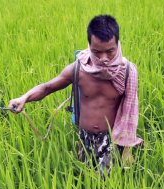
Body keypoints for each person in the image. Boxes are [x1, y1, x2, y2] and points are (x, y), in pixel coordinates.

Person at [8, 15, 142, 176]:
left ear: (118, 45)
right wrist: (24, 97)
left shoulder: (127, 72)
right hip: (84, 138)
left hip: (112, 139)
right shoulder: (79, 68)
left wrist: (127, 150)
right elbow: (47, 87)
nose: (104, 58)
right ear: (89, 45)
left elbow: (130, 114)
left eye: (110, 51)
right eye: (97, 52)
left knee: (107, 186)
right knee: (83, 180)